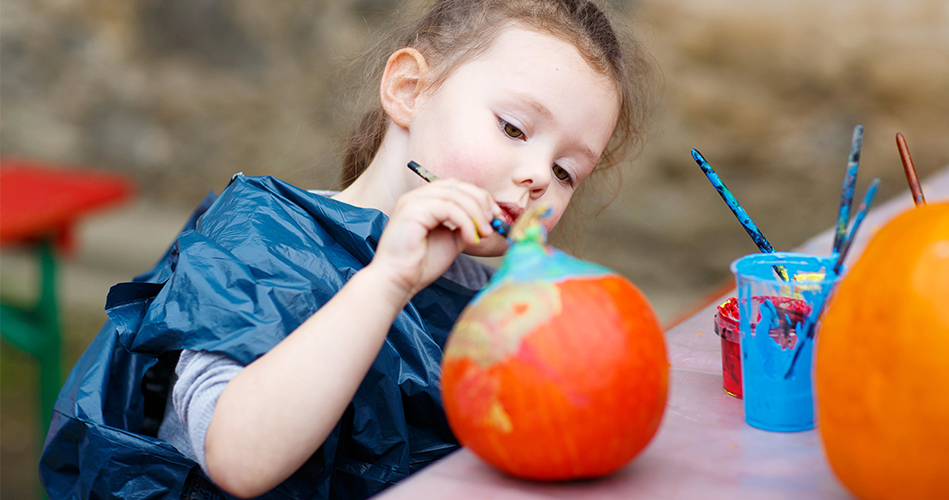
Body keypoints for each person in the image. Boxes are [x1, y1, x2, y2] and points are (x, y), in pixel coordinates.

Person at [39, 0, 654, 498]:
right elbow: (239, 460)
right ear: (410, 89)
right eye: (514, 129)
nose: (538, 176)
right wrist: (386, 282)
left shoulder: (492, 300)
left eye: (568, 170)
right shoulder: (262, 238)